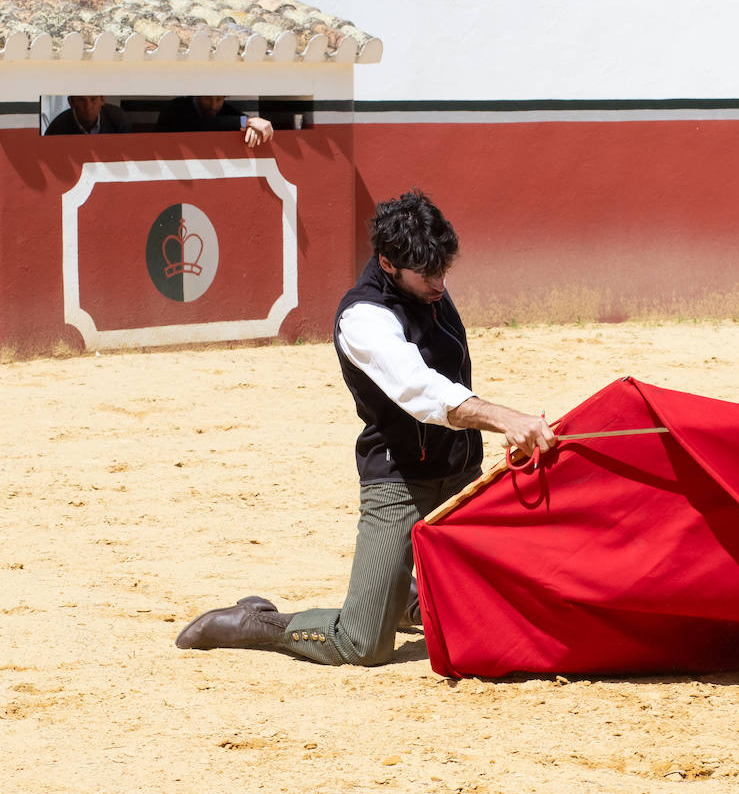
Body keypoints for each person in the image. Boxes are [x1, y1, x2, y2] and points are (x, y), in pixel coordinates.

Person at [176, 190, 556, 665]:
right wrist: (505, 418)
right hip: (400, 480)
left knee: (498, 610)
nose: (440, 283)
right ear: (389, 263)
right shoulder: (363, 317)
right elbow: (421, 392)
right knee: (361, 643)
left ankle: (400, 596)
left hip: (460, 472)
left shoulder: (424, 280)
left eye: (444, 270)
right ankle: (257, 622)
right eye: (429, 274)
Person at [156, 95, 275, 146]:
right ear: (197, 96)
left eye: (219, 99)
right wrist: (248, 122)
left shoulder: (224, 108)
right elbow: (201, 124)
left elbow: (237, 119)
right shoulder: (176, 107)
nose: (213, 106)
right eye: (207, 99)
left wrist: (252, 126)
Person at [44, 95, 132, 136]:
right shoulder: (56, 129)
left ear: (102, 99)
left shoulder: (119, 120)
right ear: (71, 102)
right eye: (81, 100)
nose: (88, 106)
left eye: (93, 99)